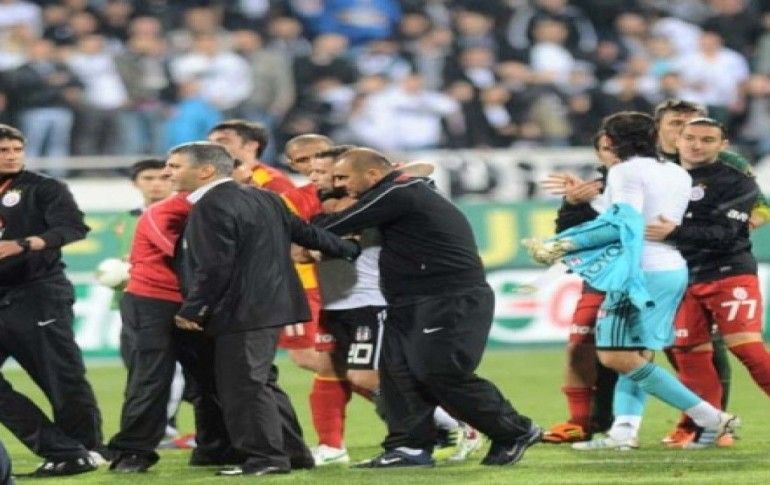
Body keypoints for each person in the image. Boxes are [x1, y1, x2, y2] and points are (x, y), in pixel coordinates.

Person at [523, 112, 739, 450]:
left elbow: (624, 224)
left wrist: (565, 244)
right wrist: (588, 200)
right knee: (637, 354)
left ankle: (711, 417)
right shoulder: (676, 172)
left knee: (615, 357)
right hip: (671, 268)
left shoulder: (624, 171)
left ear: (611, 141)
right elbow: (637, 215)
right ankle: (624, 431)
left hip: (640, 270)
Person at [316, 147, 540, 468]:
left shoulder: (398, 193)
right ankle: (408, 447)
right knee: (398, 374)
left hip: (447, 297)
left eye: (343, 177)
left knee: (439, 371)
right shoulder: (402, 189)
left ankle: (514, 430)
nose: (338, 184)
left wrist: (279, 221)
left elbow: (334, 225)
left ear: (373, 175)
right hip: (407, 299)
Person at [167, 142, 360, 477]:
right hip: (272, 306)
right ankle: (294, 454)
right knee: (260, 382)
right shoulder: (264, 198)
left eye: (174, 166)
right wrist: (348, 248)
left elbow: (215, 266)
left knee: (243, 386)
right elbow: (306, 233)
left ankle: (265, 459)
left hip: (239, 310)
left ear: (205, 170)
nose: (168, 172)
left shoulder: (210, 205)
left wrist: (194, 309)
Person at [646, 117, 770, 446]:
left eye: (707, 139)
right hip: (679, 276)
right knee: (688, 353)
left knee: (747, 347)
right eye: (690, 138)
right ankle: (711, 427)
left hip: (728, 273)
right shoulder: (661, 177)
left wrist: (674, 232)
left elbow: (725, 234)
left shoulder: (737, 182)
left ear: (722, 145)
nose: (696, 145)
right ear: (678, 140)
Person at [0, 123, 105, 477]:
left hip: (37, 293)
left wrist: (24, 244)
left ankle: (88, 450)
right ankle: (61, 450)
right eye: (4, 150)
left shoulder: (44, 188)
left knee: (61, 377)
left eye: (17, 149)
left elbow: (73, 228)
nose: (12, 156)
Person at [538, 131, 618, 443]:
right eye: (606, 148)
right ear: (598, 153)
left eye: (618, 146)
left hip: (649, 277)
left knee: (636, 355)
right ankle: (580, 422)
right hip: (600, 278)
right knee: (580, 346)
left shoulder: (654, 180)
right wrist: (572, 204)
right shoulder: (593, 189)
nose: (613, 153)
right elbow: (567, 234)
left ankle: (699, 422)